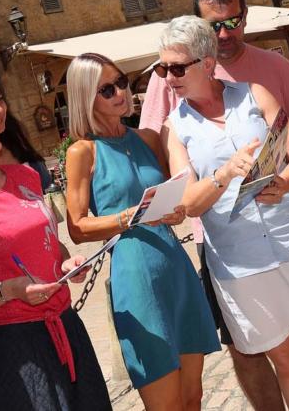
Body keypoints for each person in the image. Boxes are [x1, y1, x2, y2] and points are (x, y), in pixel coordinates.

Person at [139, 0, 289, 411]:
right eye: (163, 69)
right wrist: (222, 175)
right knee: (286, 360)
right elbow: (185, 202)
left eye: (175, 68)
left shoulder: (257, 90)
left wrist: (285, 184)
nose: (167, 77)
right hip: (238, 259)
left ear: (204, 64)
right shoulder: (176, 126)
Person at [0, 87, 111, 411]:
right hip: (16, 348)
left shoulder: (25, 175)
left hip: (66, 327)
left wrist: (67, 265)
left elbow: (50, 247)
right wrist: (9, 290)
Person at [65, 53, 220, 411]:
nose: (121, 92)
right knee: (165, 404)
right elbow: (77, 227)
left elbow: (176, 196)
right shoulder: (82, 152)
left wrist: (176, 209)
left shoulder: (149, 139)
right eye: (107, 89)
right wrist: (129, 217)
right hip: (136, 278)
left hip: (176, 270)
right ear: (85, 97)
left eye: (122, 82)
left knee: (193, 398)